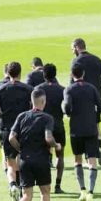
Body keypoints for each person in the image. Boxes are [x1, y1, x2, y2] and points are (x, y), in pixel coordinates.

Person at [10, 89, 61, 201]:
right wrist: (56, 145)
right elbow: (48, 138)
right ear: (43, 102)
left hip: (25, 160)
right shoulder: (47, 118)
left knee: (26, 195)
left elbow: (11, 138)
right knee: (45, 193)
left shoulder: (22, 116)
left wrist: (22, 149)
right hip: (41, 160)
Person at [0, 62, 33, 201]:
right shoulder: (28, 89)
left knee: (10, 163)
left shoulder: (1, 89)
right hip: (24, 130)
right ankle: (23, 189)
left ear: (8, 74)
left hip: (7, 129)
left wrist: (6, 114)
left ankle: (12, 185)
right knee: (22, 159)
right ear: (20, 73)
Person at [63, 64, 101, 201]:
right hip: (91, 129)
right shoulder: (91, 88)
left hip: (76, 129)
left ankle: (82, 190)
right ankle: (91, 192)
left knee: (77, 159)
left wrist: (69, 112)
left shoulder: (69, 89)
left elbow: (67, 107)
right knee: (92, 161)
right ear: (83, 73)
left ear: (71, 74)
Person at [71, 38, 101, 166]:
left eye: (72, 49)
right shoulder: (96, 59)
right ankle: (98, 146)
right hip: (96, 98)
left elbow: (71, 84)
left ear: (77, 47)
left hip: (82, 100)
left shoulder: (76, 61)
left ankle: (88, 153)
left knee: (83, 126)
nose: (72, 51)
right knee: (96, 124)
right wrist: (97, 85)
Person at [36, 64, 66, 194]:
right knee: (60, 155)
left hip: (42, 127)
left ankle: (45, 183)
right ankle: (58, 185)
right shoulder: (62, 89)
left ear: (44, 75)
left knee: (43, 156)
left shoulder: (38, 89)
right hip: (58, 125)